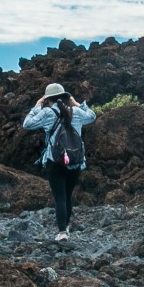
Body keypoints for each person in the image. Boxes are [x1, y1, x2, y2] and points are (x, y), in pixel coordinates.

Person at [22, 83, 94, 240]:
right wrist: (76, 103)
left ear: (48, 99)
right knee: (68, 196)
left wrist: (36, 106)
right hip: (75, 160)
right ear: (64, 96)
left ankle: (62, 233)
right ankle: (66, 228)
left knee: (59, 197)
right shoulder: (76, 111)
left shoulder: (47, 113)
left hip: (55, 160)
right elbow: (92, 116)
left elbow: (27, 124)